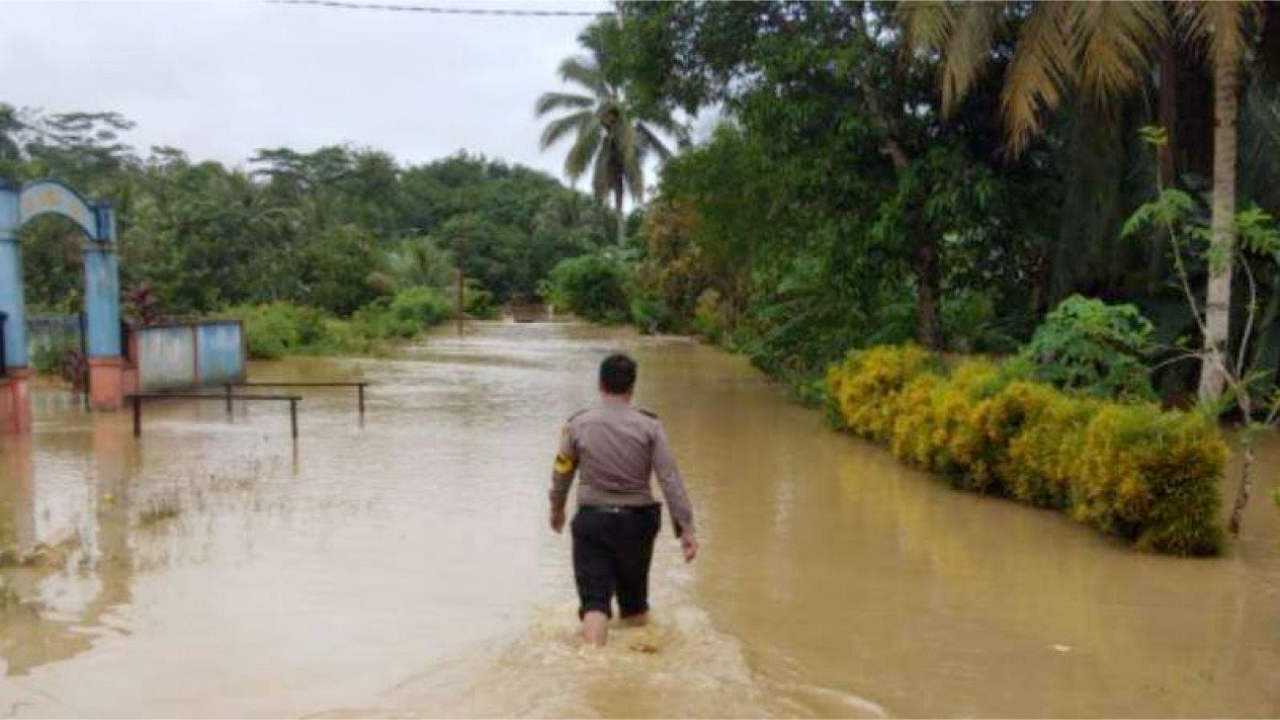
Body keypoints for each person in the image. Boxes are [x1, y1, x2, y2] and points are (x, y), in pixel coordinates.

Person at [548, 353, 698, 646]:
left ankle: (593, 665)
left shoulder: (578, 425)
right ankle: (639, 663)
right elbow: (670, 479)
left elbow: (561, 471)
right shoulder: (650, 426)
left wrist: (556, 509)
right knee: (634, 604)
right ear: (632, 387)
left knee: (595, 602)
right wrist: (686, 528)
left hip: (593, 520)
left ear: (600, 384)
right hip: (638, 523)